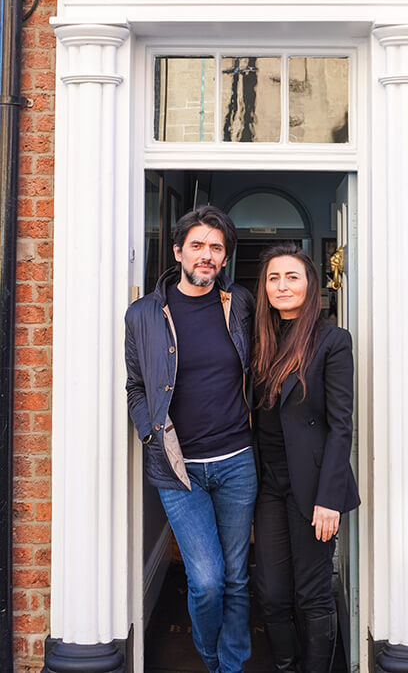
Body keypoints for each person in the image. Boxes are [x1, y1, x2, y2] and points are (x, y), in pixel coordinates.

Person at [125, 206, 257, 673]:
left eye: (216, 248)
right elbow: (136, 386)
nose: (207, 255)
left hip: (238, 461)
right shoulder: (144, 314)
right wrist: (148, 433)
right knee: (207, 581)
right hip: (179, 470)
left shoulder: (237, 303)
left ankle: (232, 666)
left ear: (224, 259)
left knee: (238, 577)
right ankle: (210, 657)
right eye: (197, 245)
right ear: (179, 251)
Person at [252, 243, 360, 673]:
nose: (282, 286)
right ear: (264, 287)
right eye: (274, 278)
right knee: (272, 592)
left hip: (314, 485)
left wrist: (330, 497)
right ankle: (285, 665)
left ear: (310, 284)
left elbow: (341, 425)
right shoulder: (256, 337)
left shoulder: (332, 341)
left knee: (312, 591)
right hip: (268, 484)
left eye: (292, 277)